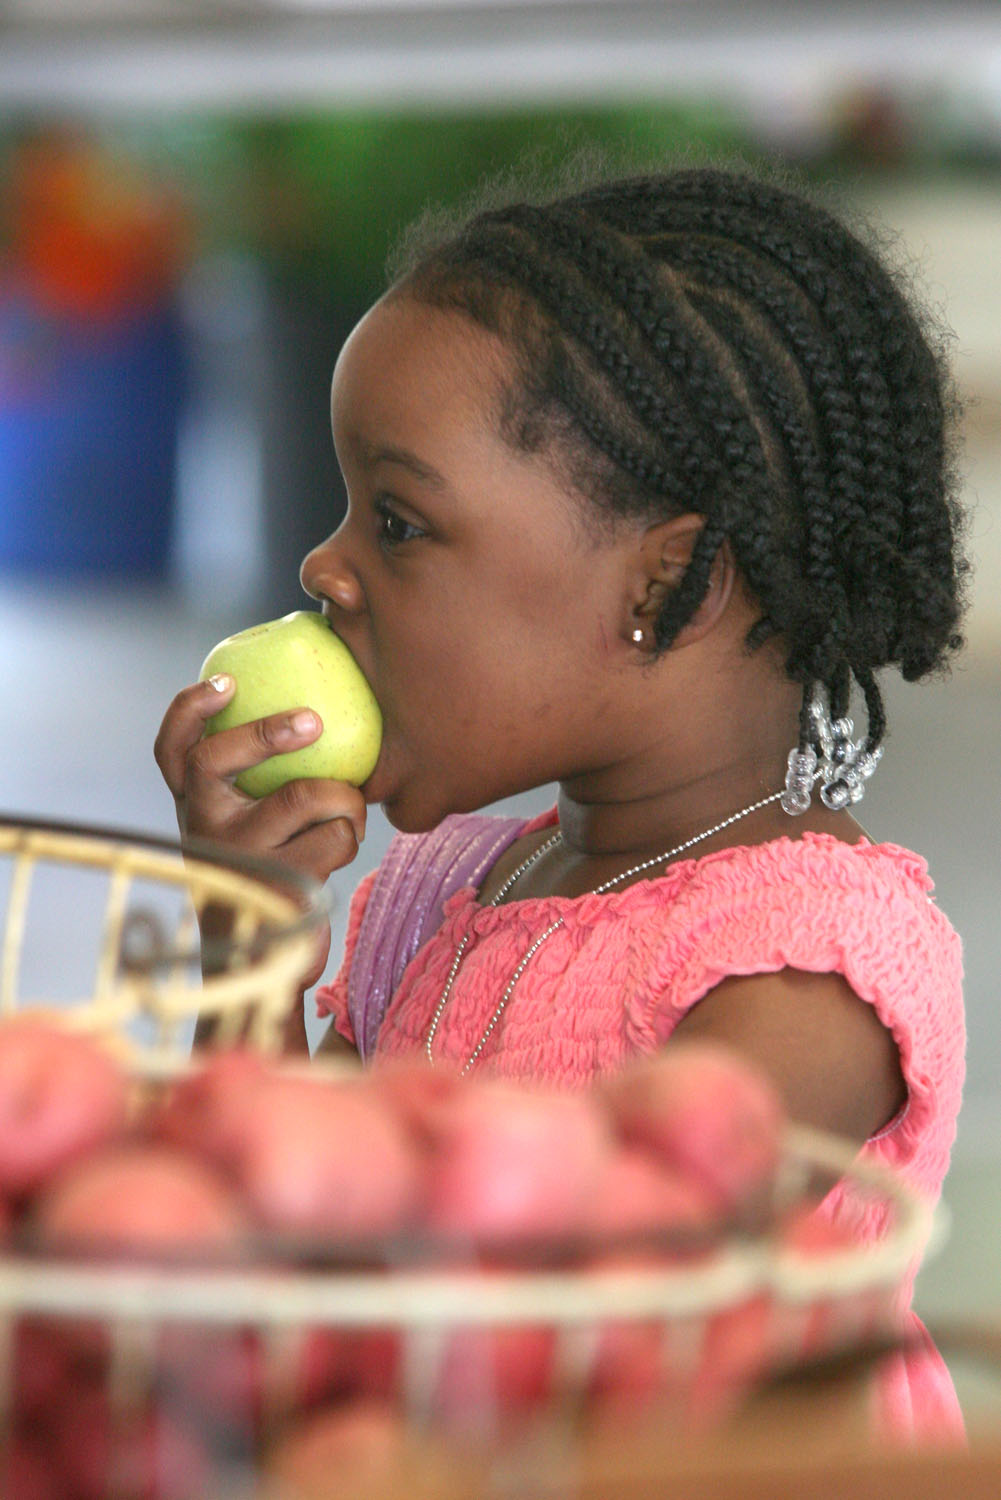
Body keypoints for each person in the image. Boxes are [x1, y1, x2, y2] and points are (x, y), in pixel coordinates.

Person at [155, 158, 968, 1443]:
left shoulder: (799, 980)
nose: (324, 565)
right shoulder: (443, 894)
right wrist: (247, 931)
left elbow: (551, 1350)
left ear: (667, 591)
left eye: (400, 523)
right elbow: (271, 1233)